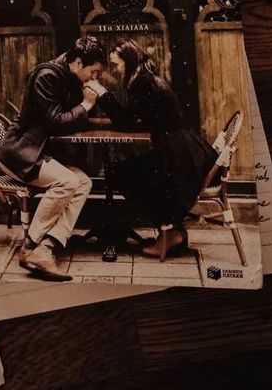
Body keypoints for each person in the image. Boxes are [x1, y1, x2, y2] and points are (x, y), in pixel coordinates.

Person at [92, 38, 217, 260]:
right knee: (124, 172)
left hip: (178, 155)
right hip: (181, 149)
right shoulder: (145, 77)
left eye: (118, 64)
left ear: (128, 62)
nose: (117, 69)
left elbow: (126, 122)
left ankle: (168, 236)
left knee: (124, 175)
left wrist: (101, 94)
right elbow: (140, 118)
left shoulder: (141, 82)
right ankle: (172, 233)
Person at [0, 35, 107, 281]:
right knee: (67, 181)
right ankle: (29, 246)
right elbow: (56, 122)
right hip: (19, 154)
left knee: (84, 182)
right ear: (78, 62)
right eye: (94, 72)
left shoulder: (68, 76)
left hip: (39, 153)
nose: (95, 78)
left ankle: (47, 246)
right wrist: (86, 105)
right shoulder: (47, 76)